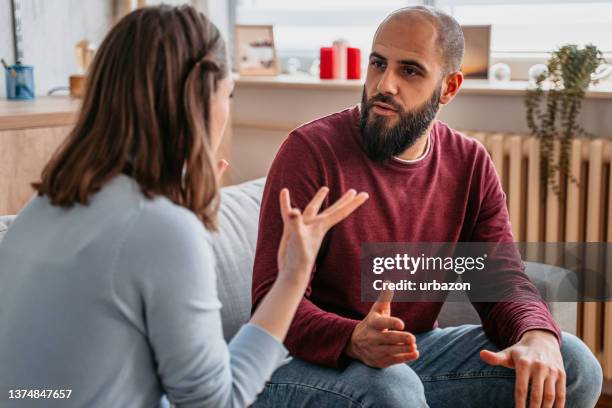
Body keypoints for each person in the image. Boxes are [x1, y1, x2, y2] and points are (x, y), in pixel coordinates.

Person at [0, 6, 368, 408]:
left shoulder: (47, 203)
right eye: (228, 93)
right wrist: (293, 275)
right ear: (201, 95)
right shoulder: (158, 226)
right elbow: (217, 401)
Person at [251, 6, 603, 407]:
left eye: (410, 71)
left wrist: (536, 335)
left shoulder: (469, 163)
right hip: (303, 365)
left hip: (412, 355)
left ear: (449, 87)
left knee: (574, 363)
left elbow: (499, 277)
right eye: (378, 63)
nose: (385, 84)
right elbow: (270, 302)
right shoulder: (310, 152)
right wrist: (351, 339)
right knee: (392, 388)